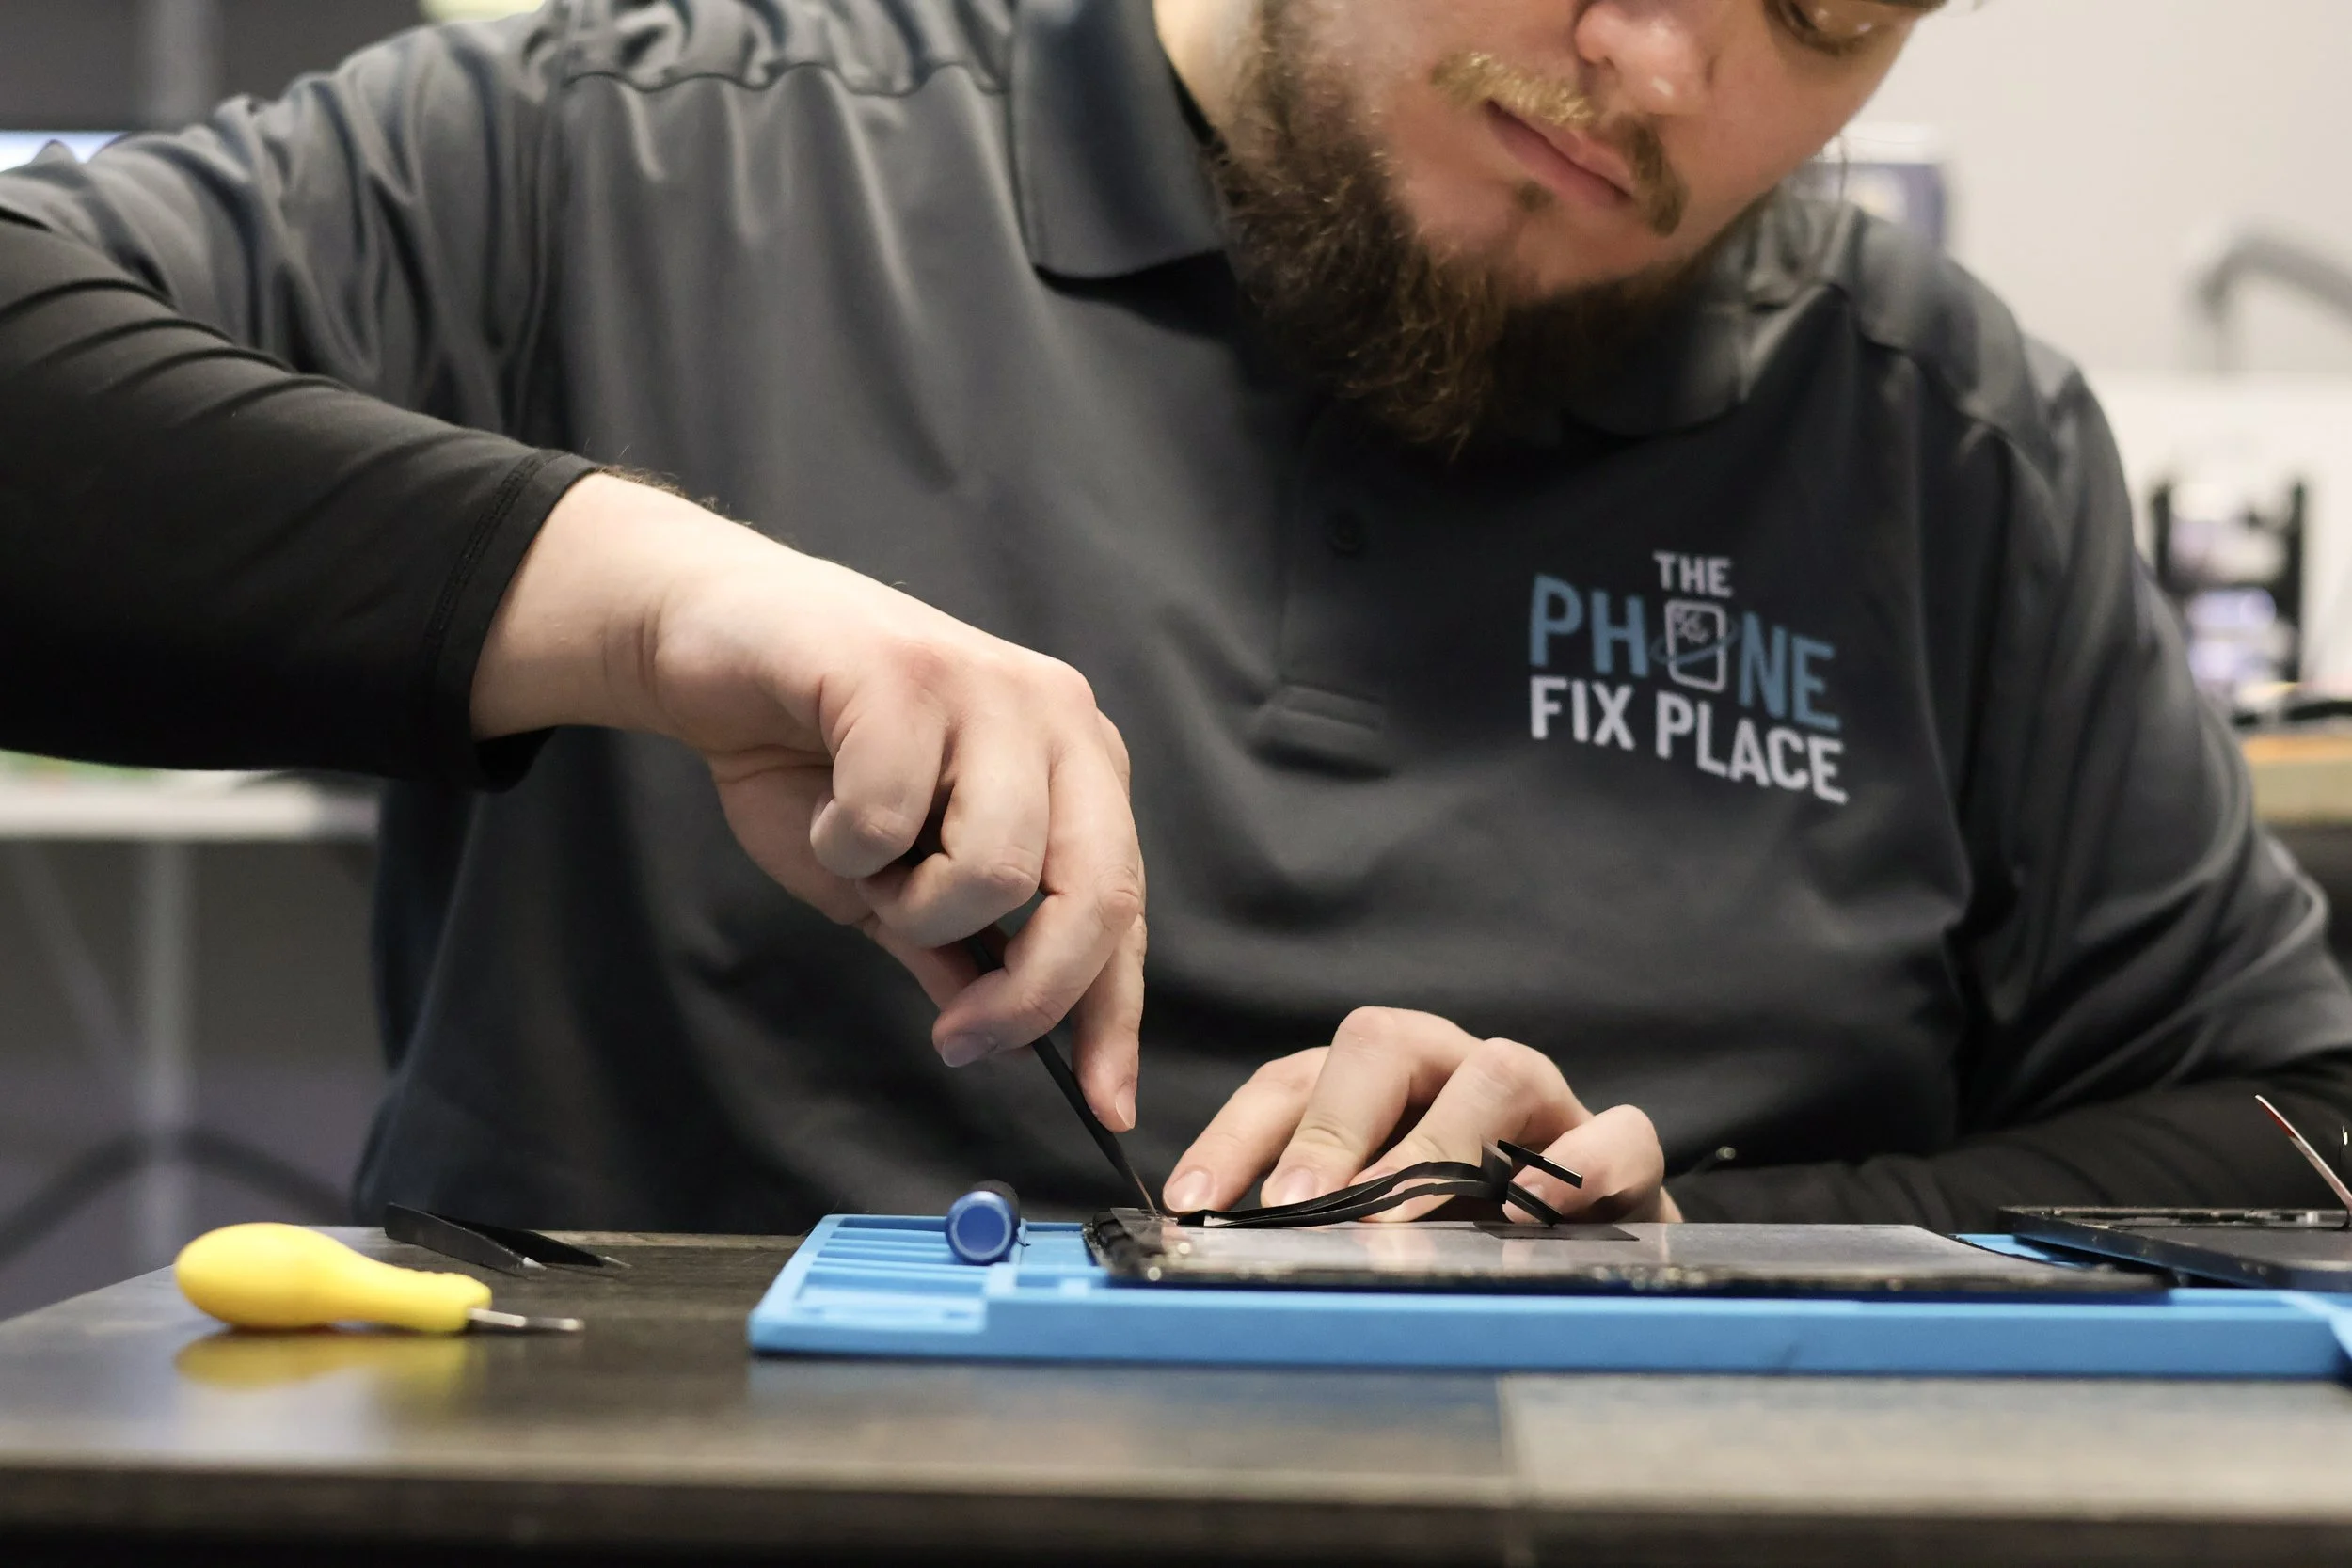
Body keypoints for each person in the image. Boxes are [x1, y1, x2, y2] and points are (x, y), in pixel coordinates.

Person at [2, 0, 2345, 1235]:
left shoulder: (1932, 436)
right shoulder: (646, 169)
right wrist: (651, 593)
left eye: (1817, 14)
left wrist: (1654, 1227)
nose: (1656, 63)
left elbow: (2292, 1133)